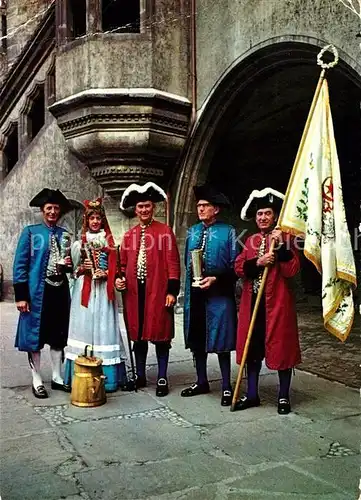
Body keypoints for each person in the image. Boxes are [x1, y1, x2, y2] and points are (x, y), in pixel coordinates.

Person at [235, 187, 301, 415]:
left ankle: (283, 397)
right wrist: (259, 262)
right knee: (251, 351)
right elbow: (239, 266)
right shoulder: (251, 240)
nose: (263, 218)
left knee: (281, 350)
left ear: (275, 217)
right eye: (259, 214)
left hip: (278, 306)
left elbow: (292, 270)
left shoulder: (287, 239)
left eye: (267, 214)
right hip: (253, 303)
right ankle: (251, 394)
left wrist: (281, 247)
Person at [116, 182, 181, 397]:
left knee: (161, 336)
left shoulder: (165, 232)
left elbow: (173, 265)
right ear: (135, 210)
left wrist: (172, 291)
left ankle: (162, 377)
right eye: (140, 207)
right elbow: (122, 265)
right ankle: (140, 375)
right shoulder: (129, 236)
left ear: (153, 208)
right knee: (139, 335)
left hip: (158, 291)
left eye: (147, 206)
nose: (144, 210)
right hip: (135, 294)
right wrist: (119, 280)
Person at [64, 198, 131, 392]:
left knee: (104, 327)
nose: (95, 221)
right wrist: (81, 268)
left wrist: (108, 274)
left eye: (98, 218)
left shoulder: (110, 244)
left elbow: (118, 269)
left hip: (103, 291)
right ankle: (78, 373)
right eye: (91, 218)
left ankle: (108, 378)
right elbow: (73, 270)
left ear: (102, 220)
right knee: (82, 327)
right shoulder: (79, 244)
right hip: (84, 289)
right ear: (87, 220)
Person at [181, 184, 239, 406]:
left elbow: (236, 268)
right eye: (199, 206)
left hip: (219, 295)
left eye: (205, 206)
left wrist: (216, 279)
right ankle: (201, 381)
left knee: (222, 341)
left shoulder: (228, 232)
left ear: (216, 209)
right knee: (198, 340)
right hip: (196, 295)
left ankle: (226, 386)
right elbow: (188, 263)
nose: (201, 209)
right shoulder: (193, 231)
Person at [13, 188, 72, 398]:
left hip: (59, 291)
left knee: (58, 335)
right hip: (36, 292)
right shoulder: (30, 232)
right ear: (42, 210)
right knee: (34, 337)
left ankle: (57, 376)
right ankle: (36, 378)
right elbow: (20, 265)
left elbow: (69, 266)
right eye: (49, 208)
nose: (53, 212)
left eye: (56, 208)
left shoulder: (65, 234)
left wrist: (68, 264)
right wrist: (21, 296)